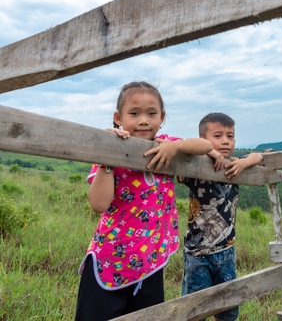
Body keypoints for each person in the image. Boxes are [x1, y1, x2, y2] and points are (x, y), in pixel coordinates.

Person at [75, 81, 212, 321]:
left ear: (162, 117)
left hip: (151, 259)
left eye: (151, 113)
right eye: (134, 113)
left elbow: (206, 145)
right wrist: (108, 157)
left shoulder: (166, 143)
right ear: (118, 117)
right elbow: (99, 204)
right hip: (109, 259)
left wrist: (176, 146)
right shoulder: (112, 147)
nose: (143, 120)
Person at [179, 112, 263, 321]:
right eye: (217, 136)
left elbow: (258, 156)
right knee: (195, 309)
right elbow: (183, 147)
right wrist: (209, 152)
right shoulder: (194, 167)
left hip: (226, 250)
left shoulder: (234, 166)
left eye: (230, 136)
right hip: (198, 254)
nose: (225, 141)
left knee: (228, 308)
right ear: (204, 140)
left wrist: (243, 164)